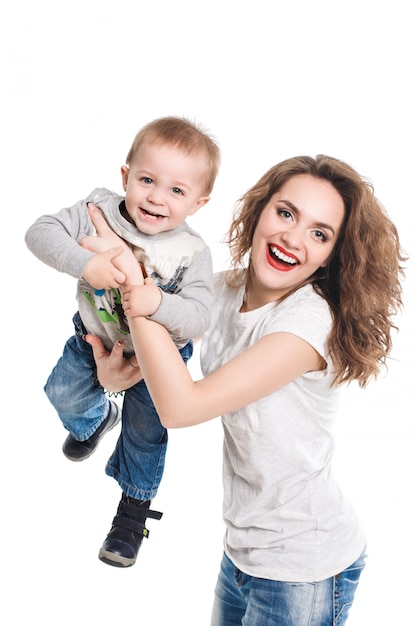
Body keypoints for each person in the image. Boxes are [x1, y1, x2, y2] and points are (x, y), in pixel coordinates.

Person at [84, 154, 405, 625]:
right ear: (259, 211)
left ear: (333, 254)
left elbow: (181, 405)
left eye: (319, 233)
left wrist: (135, 278)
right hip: (243, 552)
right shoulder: (221, 291)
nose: (293, 238)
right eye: (286, 213)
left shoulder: (309, 321)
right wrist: (115, 378)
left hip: (303, 566)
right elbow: (150, 350)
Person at [24, 115, 221, 568]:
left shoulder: (192, 253)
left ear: (199, 203)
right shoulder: (98, 208)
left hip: (160, 364)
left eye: (177, 190)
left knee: (146, 436)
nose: (156, 197)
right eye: (147, 180)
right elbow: (39, 231)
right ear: (125, 176)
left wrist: (155, 302)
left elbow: (199, 317)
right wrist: (82, 263)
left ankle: (133, 512)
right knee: (61, 394)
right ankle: (95, 421)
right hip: (93, 336)